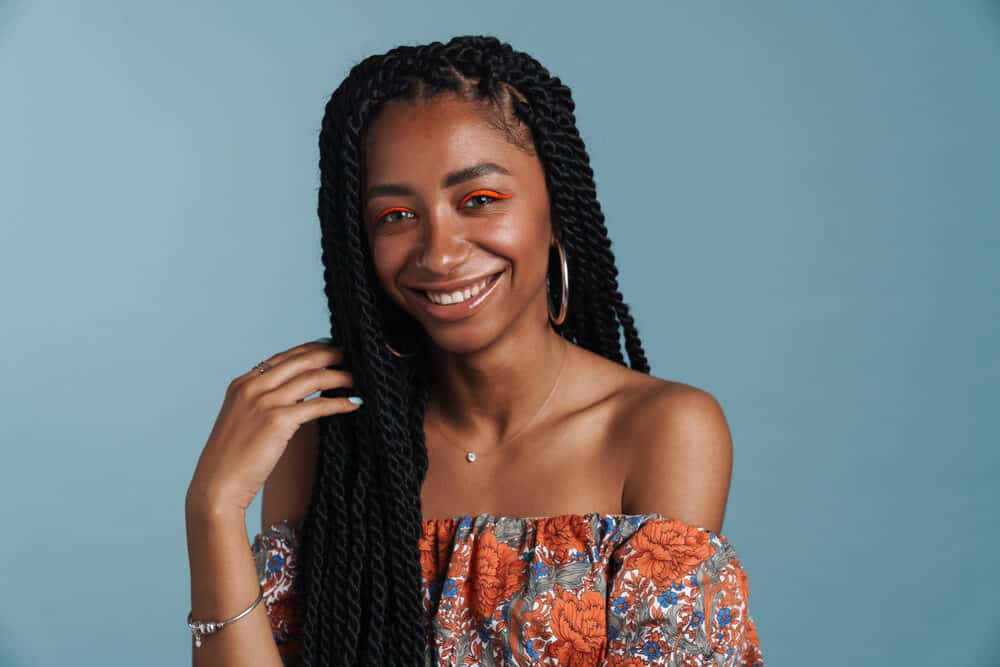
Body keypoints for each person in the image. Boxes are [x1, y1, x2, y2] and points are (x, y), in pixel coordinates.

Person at [185, 34, 765, 666]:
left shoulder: (658, 431)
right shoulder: (326, 442)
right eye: (396, 216)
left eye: (479, 201)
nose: (438, 253)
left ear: (557, 208)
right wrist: (212, 509)